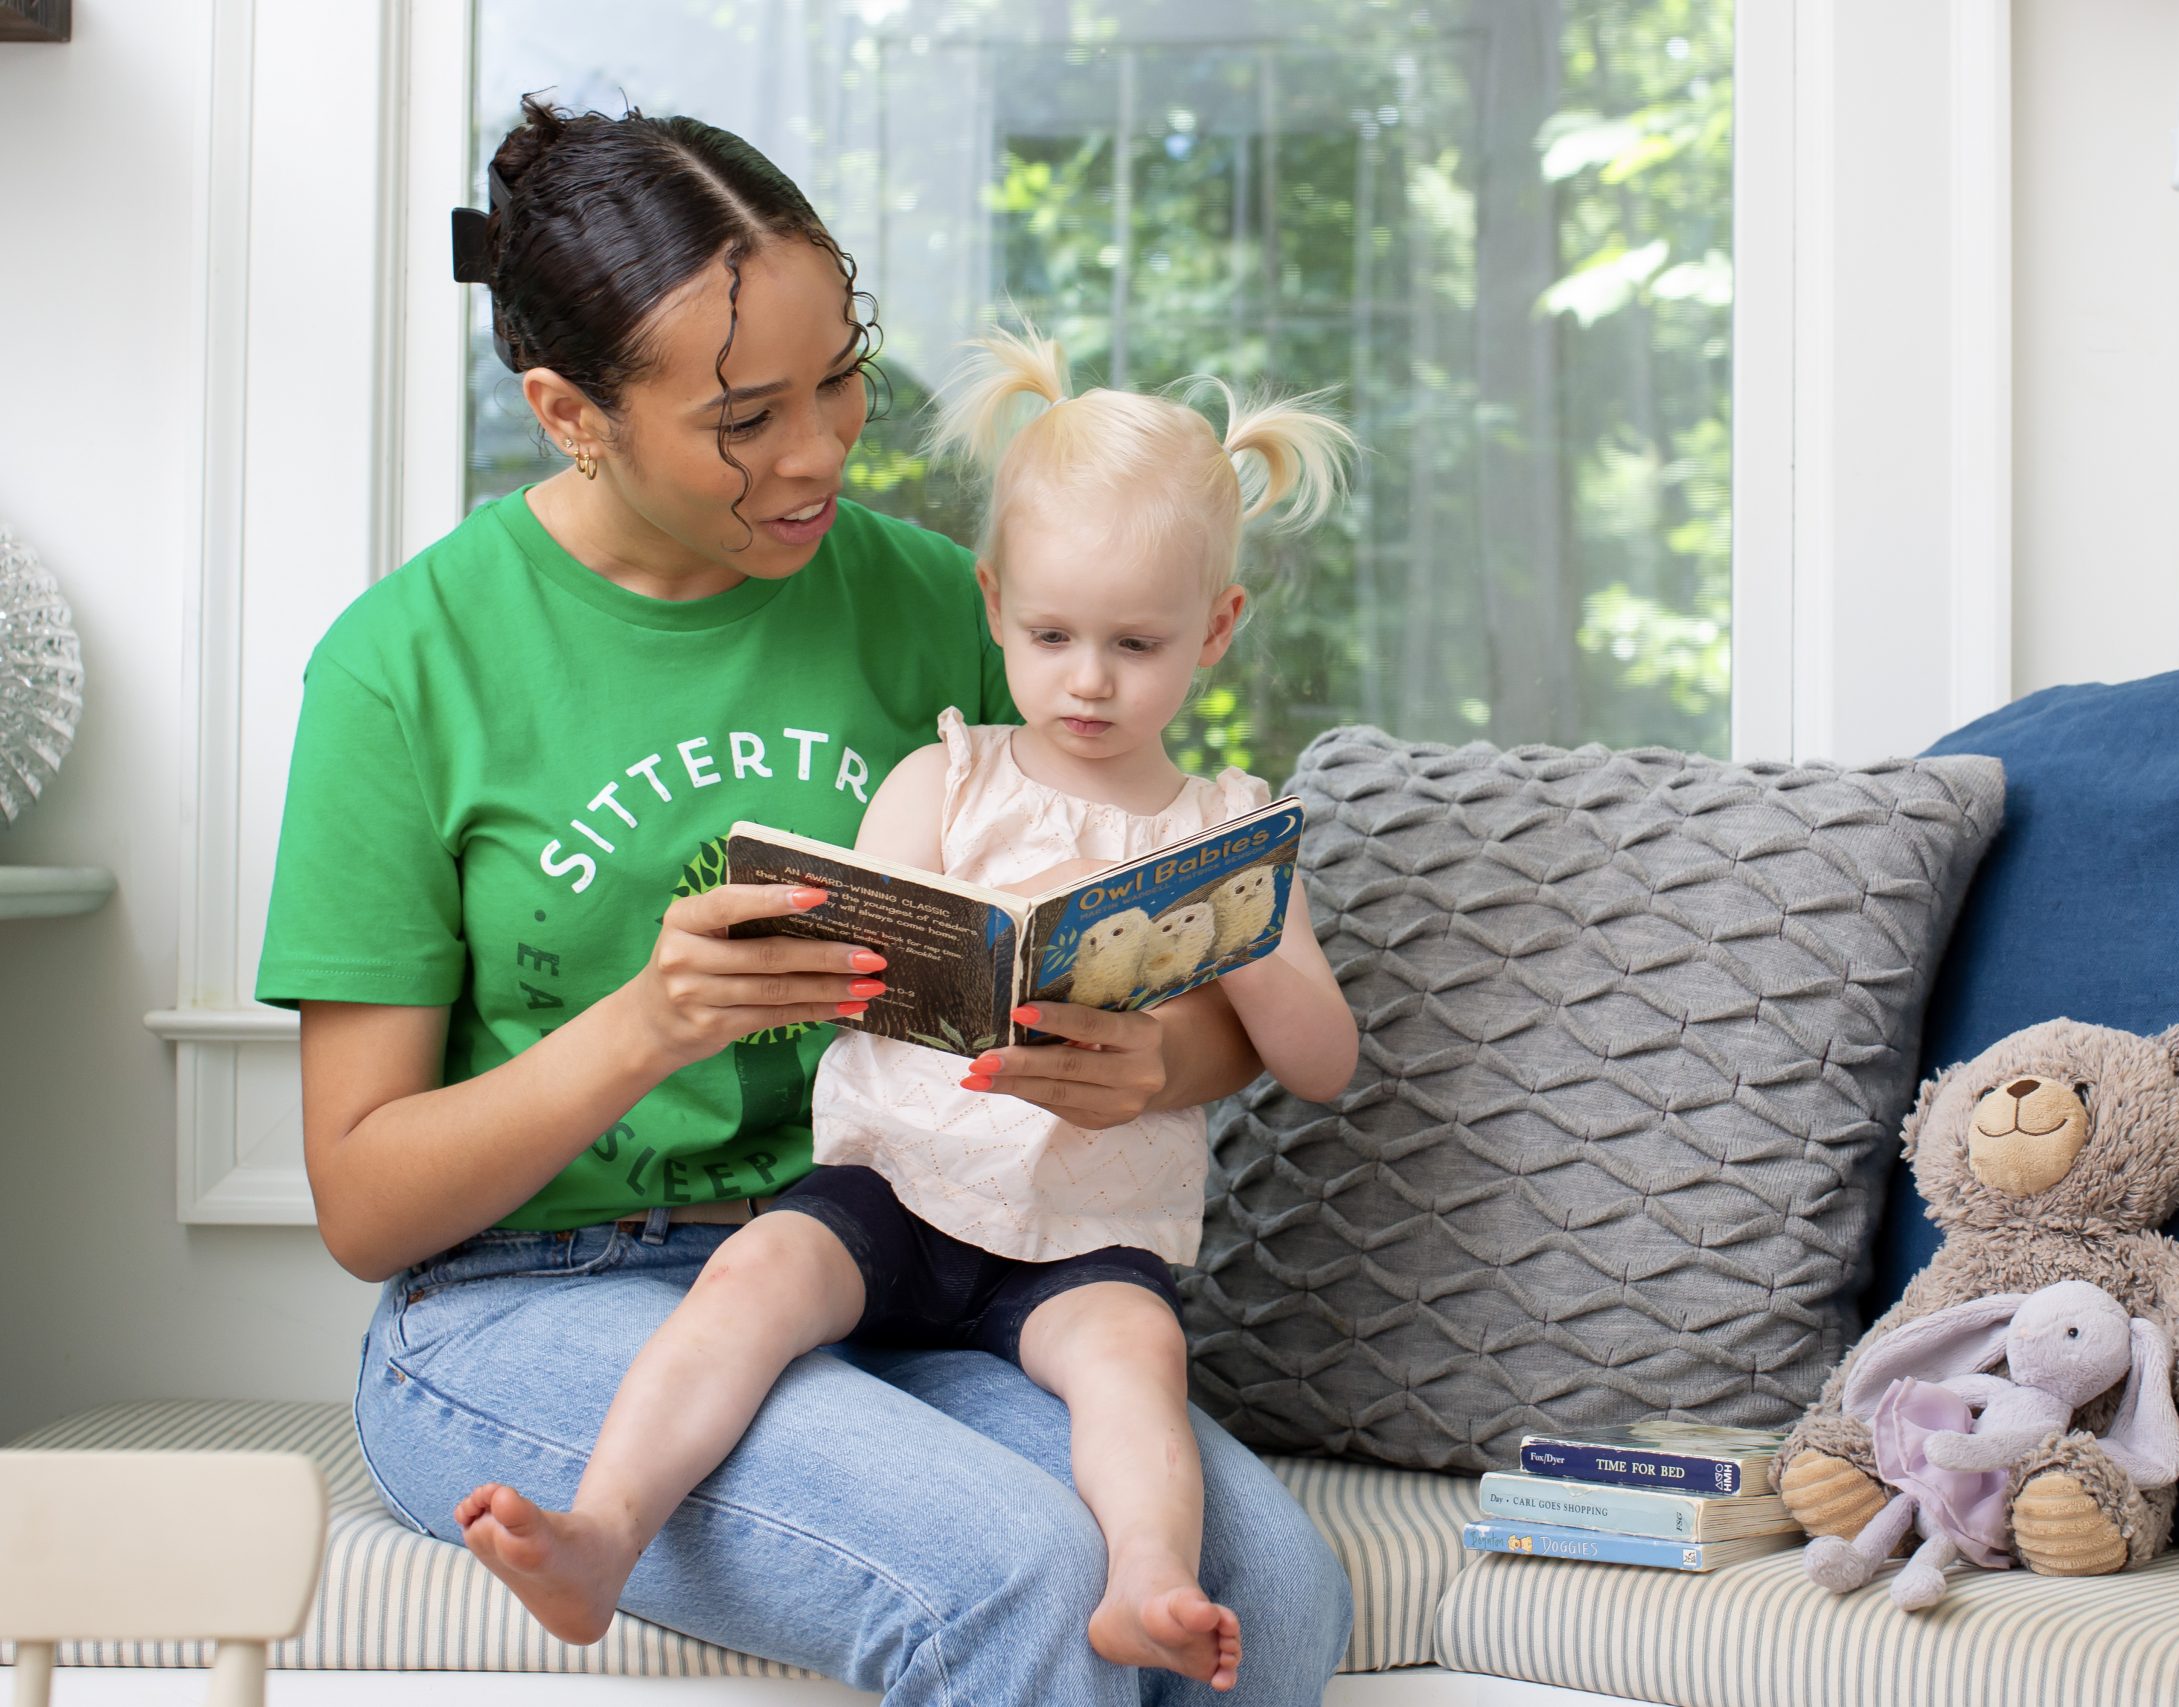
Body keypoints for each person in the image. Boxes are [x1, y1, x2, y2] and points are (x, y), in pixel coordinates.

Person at [256, 98, 1352, 1706]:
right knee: (1020, 1578)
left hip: (916, 1253)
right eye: (746, 415)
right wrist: (649, 1023)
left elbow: (1170, 942)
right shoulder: (404, 667)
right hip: (530, 1307)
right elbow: (365, 1207)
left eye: (841, 374)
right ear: (572, 413)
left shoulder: (940, 600)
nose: (822, 450)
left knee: (1276, 1600)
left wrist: (1166, 1061)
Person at [452, 323, 1360, 1693]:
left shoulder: (1228, 831)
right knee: (753, 1275)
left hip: (1080, 1238)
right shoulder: (949, 781)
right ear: (994, 607)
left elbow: (1323, 1061)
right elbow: (878, 963)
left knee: (1137, 1356)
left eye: (1137, 642)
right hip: (898, 1191)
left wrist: (1230, 933)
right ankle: (603, 1529)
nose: (1090, 679)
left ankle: (1148, 1581)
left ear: (1216, 632)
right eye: (1051, 636)